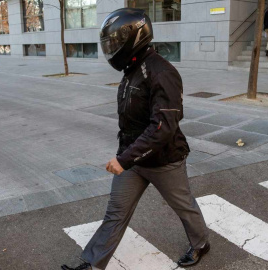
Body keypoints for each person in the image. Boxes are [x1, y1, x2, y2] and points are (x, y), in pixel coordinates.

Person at [61, 8, 210, 270]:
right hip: (133, 160)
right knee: (115, 214)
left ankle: (201, 244)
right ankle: (92, 264)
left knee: (184, 207)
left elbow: (163, 127)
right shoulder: (132, 68)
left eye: (116, 42)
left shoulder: (162, 73)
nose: (113, 48)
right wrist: (127, 157)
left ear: (135, 37)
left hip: (165, 160)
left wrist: (124, 158)